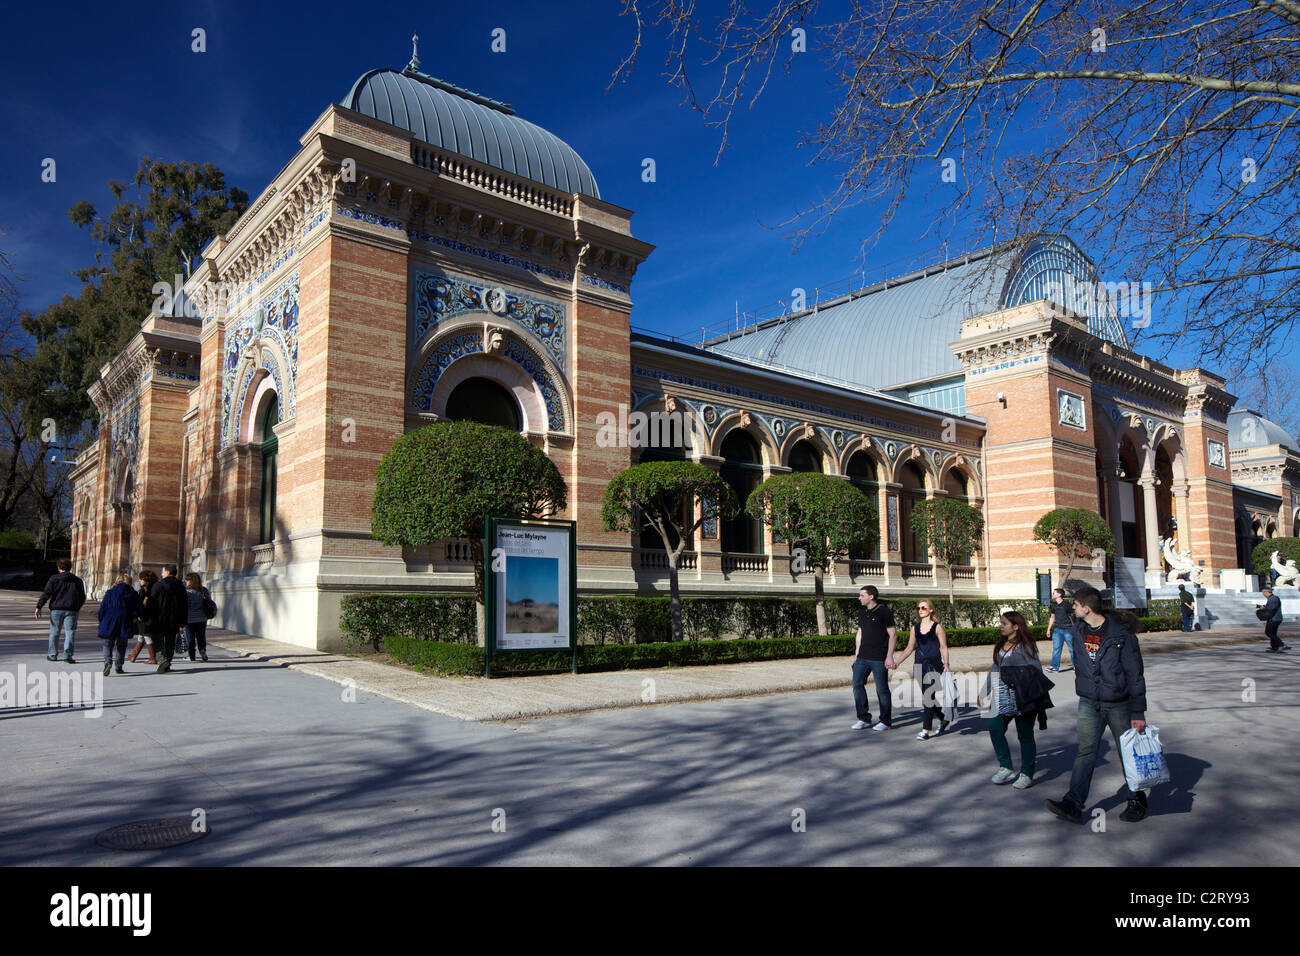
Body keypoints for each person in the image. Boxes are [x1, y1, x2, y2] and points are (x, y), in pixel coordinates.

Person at [1045, 586, 1150, 824]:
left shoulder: (1122, 636)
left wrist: (1138, 710)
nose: (1072, 607)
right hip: (1089, 702)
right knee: (1085, 752)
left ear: (1086, 608)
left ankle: (1137, 799)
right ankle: (1073, 803)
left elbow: (1135, 675)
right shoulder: (1077, 630)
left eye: (1075, 604)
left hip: (1118, 704)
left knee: (1128, 753)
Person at [979, 612, 1051, 789]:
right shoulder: (1001, 645)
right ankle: (1006, 767)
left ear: (1016, 626)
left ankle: (1027, 773)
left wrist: (1035, 696)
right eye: (1001, 623)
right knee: (995, 728)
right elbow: (995, 669)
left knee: (1024, 735)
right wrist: (984, 692)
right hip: (1002, 696)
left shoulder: (1026, 647)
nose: (1001, 626)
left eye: (1004, 623)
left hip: (1023, 696)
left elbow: (1036, 671)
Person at [893, 599, 951, 738]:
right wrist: (897, 662)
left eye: (923, 608)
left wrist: (947, 664)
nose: (920, 610)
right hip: (919, 665)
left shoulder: (937, 627)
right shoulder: (915, 628)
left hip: (934, 665)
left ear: (931, 610)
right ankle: (944, 719)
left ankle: (925, 730)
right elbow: (909, 648)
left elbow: (943, 647)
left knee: (927, 696)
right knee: (928, 696)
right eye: (918, 608)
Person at [850, 585, 897, 732]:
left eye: (862, 595)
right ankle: (863, 718)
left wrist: (889, 656)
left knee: (882, 689)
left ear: (871, 596)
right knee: (857, 684)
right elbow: (860, 633)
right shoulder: (861, 613)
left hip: (879, 658)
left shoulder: (884, 612)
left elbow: (893, 635)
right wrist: (856, 654)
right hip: (862, 657)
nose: (859, 598)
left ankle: (885, 721)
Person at [35, 557, 86, 663]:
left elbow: (46, 593)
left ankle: (52, 654)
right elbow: (82, 596)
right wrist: (77, 607)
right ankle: (67, 655)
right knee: (70, 632)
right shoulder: (77, 581)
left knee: (54, 632)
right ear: (70, 567)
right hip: (72, 609)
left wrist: (39, 606)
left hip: (56, 609)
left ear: (59, 567)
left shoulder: (54, 579)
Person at [97, 573, 142, 675]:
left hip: (109, 620)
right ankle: (119, 666)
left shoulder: (110, 592)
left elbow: (102, 608)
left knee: (107, 644)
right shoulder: (133, 593)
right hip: (125, 620)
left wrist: (101, 619)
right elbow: (139, 608)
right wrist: (139, 617)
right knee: (121, 645)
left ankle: (107, 663)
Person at [147, 565, 189, 673]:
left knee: (157, 640)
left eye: (163, 571)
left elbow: (151, 603)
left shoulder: (158, 585)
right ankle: (167, 663)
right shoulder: (181, 586)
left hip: (159, 618)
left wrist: (148, 617)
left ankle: (162, 660)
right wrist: (183, 620)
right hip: (174, 619)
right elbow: (184, 605)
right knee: (170, 642)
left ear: (168, 572)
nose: (161, 574)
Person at [127, 571, 158, 664]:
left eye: (141, 579)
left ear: (146, 580)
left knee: (147, 636)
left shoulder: (144, 591)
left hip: (145, 617)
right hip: (148, 616)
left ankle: (152, 657)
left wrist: (139, 616)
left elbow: (143, 605)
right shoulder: (154, 588)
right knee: (141, 636)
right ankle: (134, 655)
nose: (140, 581)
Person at [183, 572, 212, 662]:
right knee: (201, 636)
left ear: (191, 581)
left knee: (190, 637)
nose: (185, 581)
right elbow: (209, 602)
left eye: (187, 580)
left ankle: (191, 655)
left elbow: (184, 606)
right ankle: (202, 650)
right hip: (202, 617)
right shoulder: (204, 590)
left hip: (190, 618)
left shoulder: (186, 592)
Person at [1257, 585, 1289, 652]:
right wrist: (1265, 606)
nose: (1263, 594)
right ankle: (1274, 647)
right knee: (1272, 633)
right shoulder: (1272, 598)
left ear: (1266, 592)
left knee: (1269, 632)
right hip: (1274, 618)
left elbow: (1272, 608)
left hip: (1275, 618)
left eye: (1263, 593)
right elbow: (1271, 606)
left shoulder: (1273, 598)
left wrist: (1264, 608)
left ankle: (1280, 644)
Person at [1048, 588, 1073, 672]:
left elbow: (1073, 615)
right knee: (1056, 648)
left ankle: (1076, 665)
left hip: (1068, 629)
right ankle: (1054, 666)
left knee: (1072, 649)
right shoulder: (1053, 605)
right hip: (1057, 630)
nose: (1052, 594)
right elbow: (1052, 617)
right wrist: (1048, 629)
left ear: (1059, 595)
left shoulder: (1067, 605)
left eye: (1054, 593)